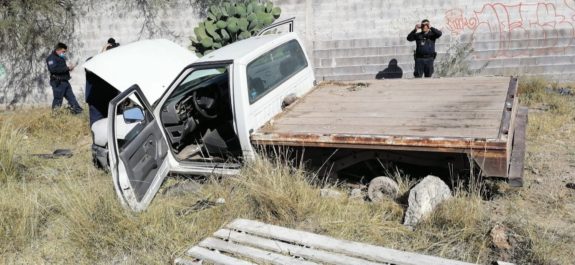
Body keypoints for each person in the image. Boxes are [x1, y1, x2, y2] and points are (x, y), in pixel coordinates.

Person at [46, 42, 83, 114]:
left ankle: (79, 112)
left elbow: (62, 68)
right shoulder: (51, 58)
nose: (64, 53)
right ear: (58, 50)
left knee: (72, 98)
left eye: (64, 52)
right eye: (63, 51)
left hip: (65, 82)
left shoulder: (60, 57)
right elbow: (53, 70)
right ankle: (55, 115)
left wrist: (69, 69)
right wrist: (67, 68)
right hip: (58, 83)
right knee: (58, 100)